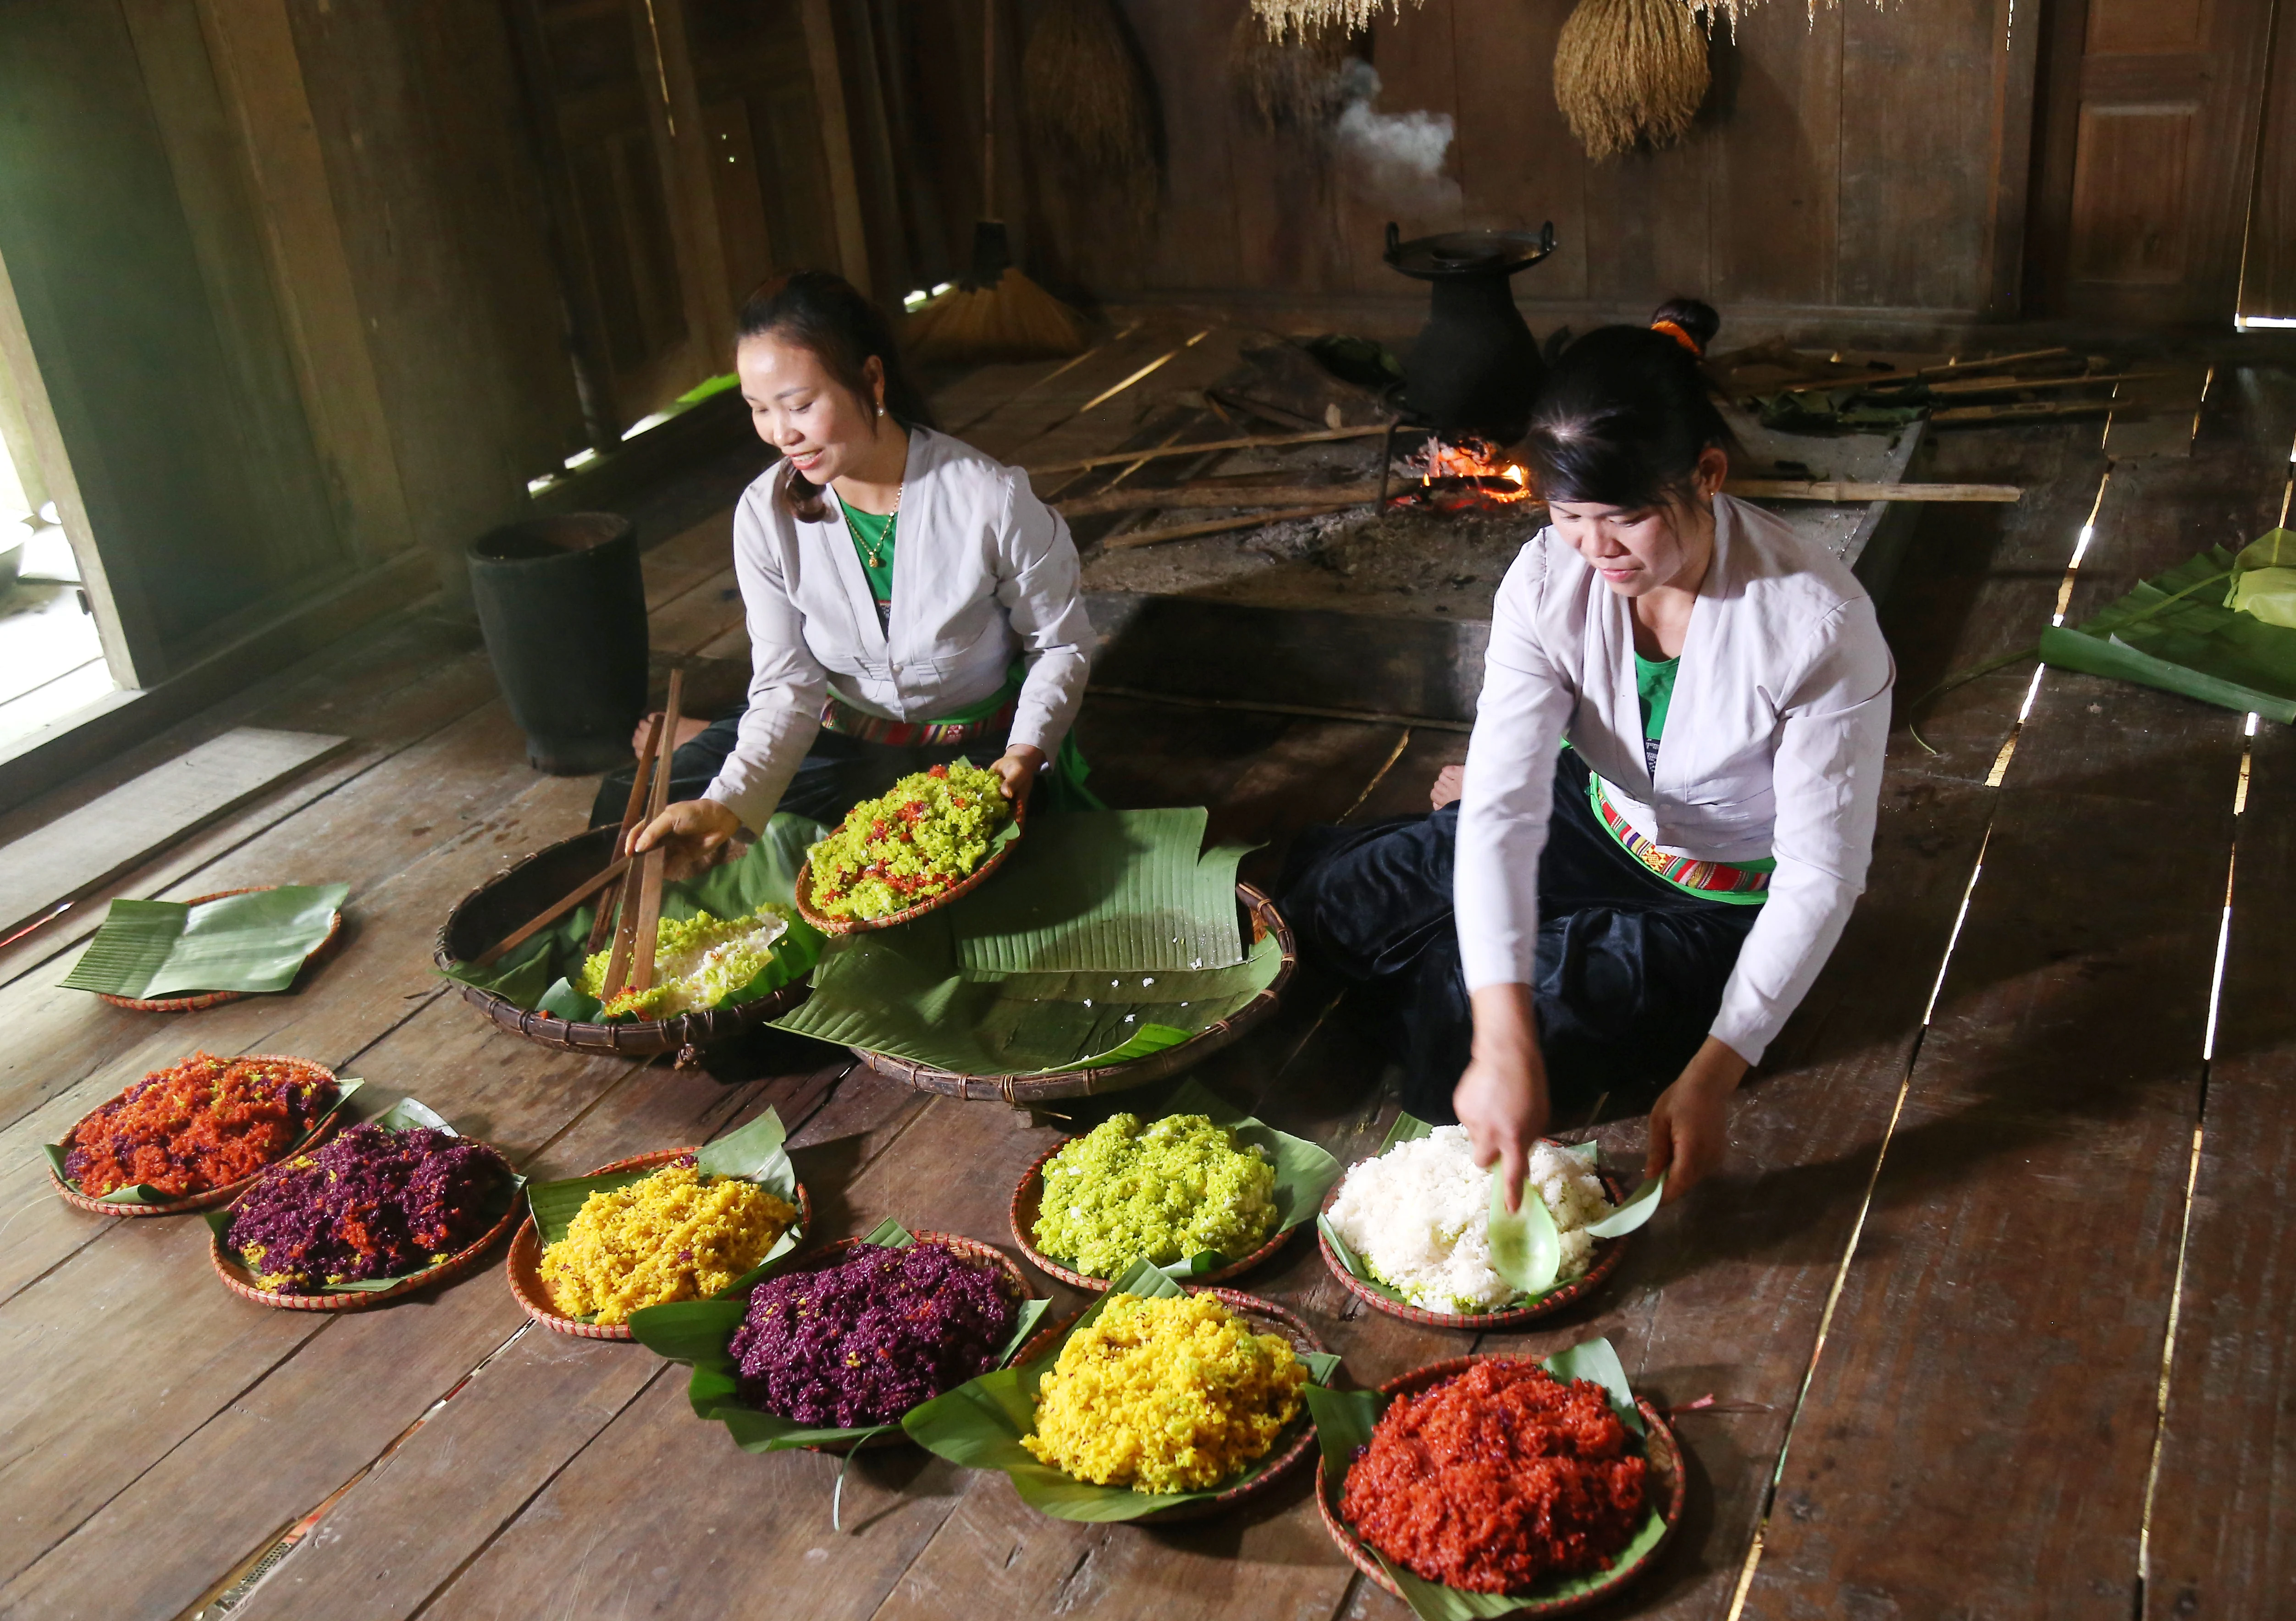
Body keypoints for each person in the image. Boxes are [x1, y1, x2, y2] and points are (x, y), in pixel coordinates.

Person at [1282, 299, 1893, 1206]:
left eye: (1624, 519)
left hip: (1714, 898)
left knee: (1460, 1011)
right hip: (1596, 813)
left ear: (1707, 474)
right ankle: (1449, 954)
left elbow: (1818, 877)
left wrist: (1716, 1071)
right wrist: (1504, 1035)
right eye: (1568, 515)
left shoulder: (1814, 625)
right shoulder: (1547, 577)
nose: (1592, 548)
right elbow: (1502, 808)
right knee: (1329, 904)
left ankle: (1454, 969)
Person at [615, 271, 1096, 871]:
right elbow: (787, 685)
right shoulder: (766, 516)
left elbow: (1061, 645)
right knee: (641, 823)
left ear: (871, 379)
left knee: (940, 877)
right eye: (759, 410)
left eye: (799, 405)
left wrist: (1025, 754)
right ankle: (711, 742)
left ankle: (707, 734)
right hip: (836, 736)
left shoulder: (988, 501)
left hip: (974, 754)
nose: (780, 434)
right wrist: (728, 804)